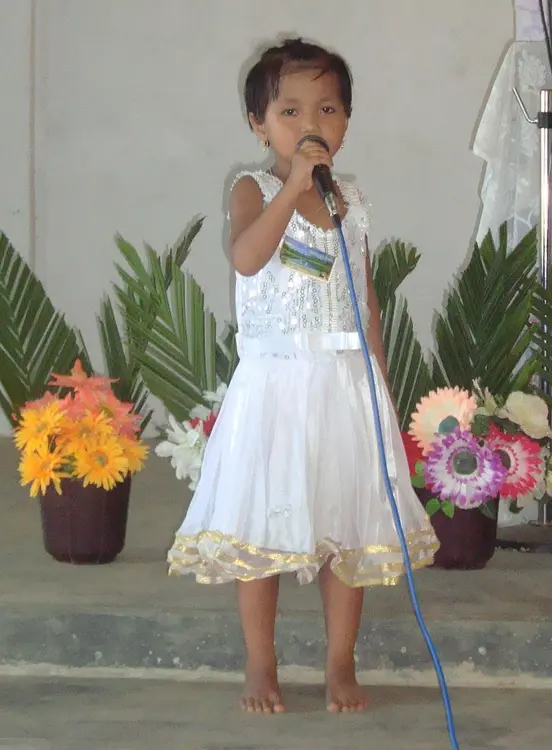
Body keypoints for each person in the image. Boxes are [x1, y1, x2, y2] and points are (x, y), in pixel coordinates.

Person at [168, 37, 438, 715]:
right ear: (258, 124)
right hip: (276, 388)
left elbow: (365, 299)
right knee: (263, 528)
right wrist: (292, 187)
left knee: (345, 529)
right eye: (289, 111)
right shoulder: (253, 189)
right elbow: (247, 258)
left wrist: (381, 386)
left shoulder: (351, 200)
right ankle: (261, 662)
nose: (310, 122)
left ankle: (340, 660)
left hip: (344, 387)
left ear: (346, 121)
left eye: (327, 108)